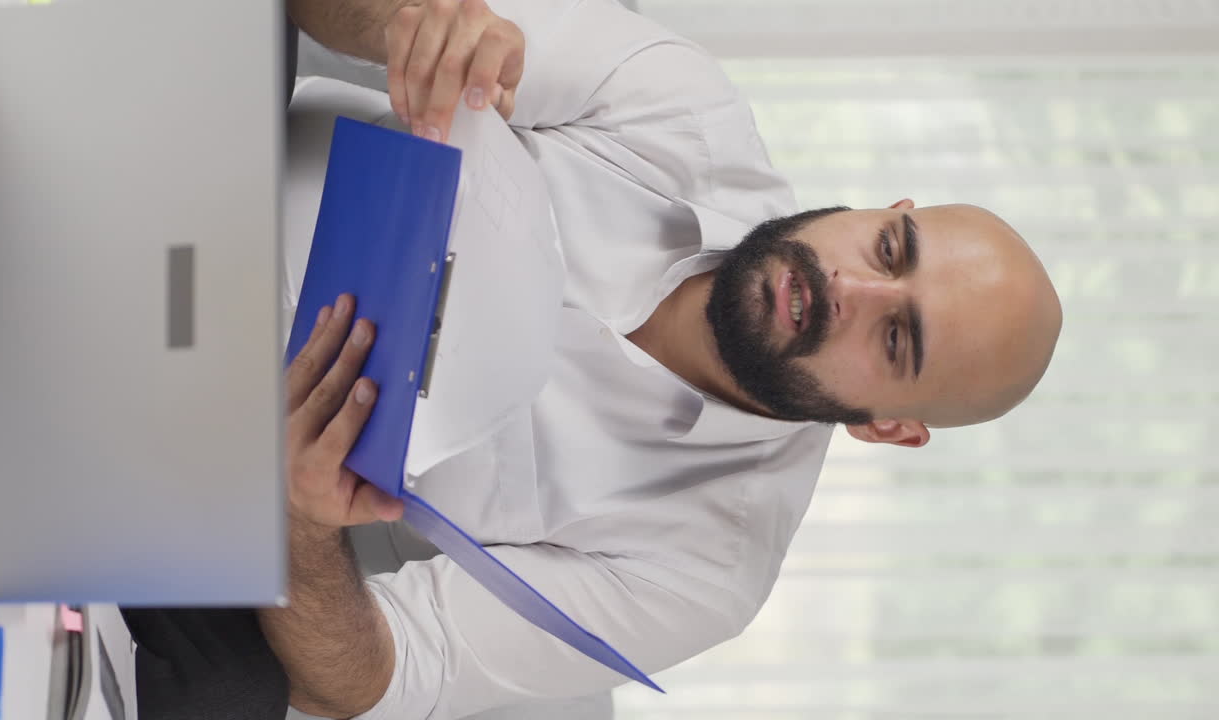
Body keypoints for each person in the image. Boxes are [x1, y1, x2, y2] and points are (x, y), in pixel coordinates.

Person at [130, 1, 1064, 719]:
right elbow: (337, 12)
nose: (846, 287)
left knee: (230, 699)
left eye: (896, 338)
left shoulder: (709, 569)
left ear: (889, 427)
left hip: (218, 474)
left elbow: (383, 677)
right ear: (888, 211)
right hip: (208, 169)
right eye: (890, 250)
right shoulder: (683, 106)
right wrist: (412, 23)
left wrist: (300, 523)